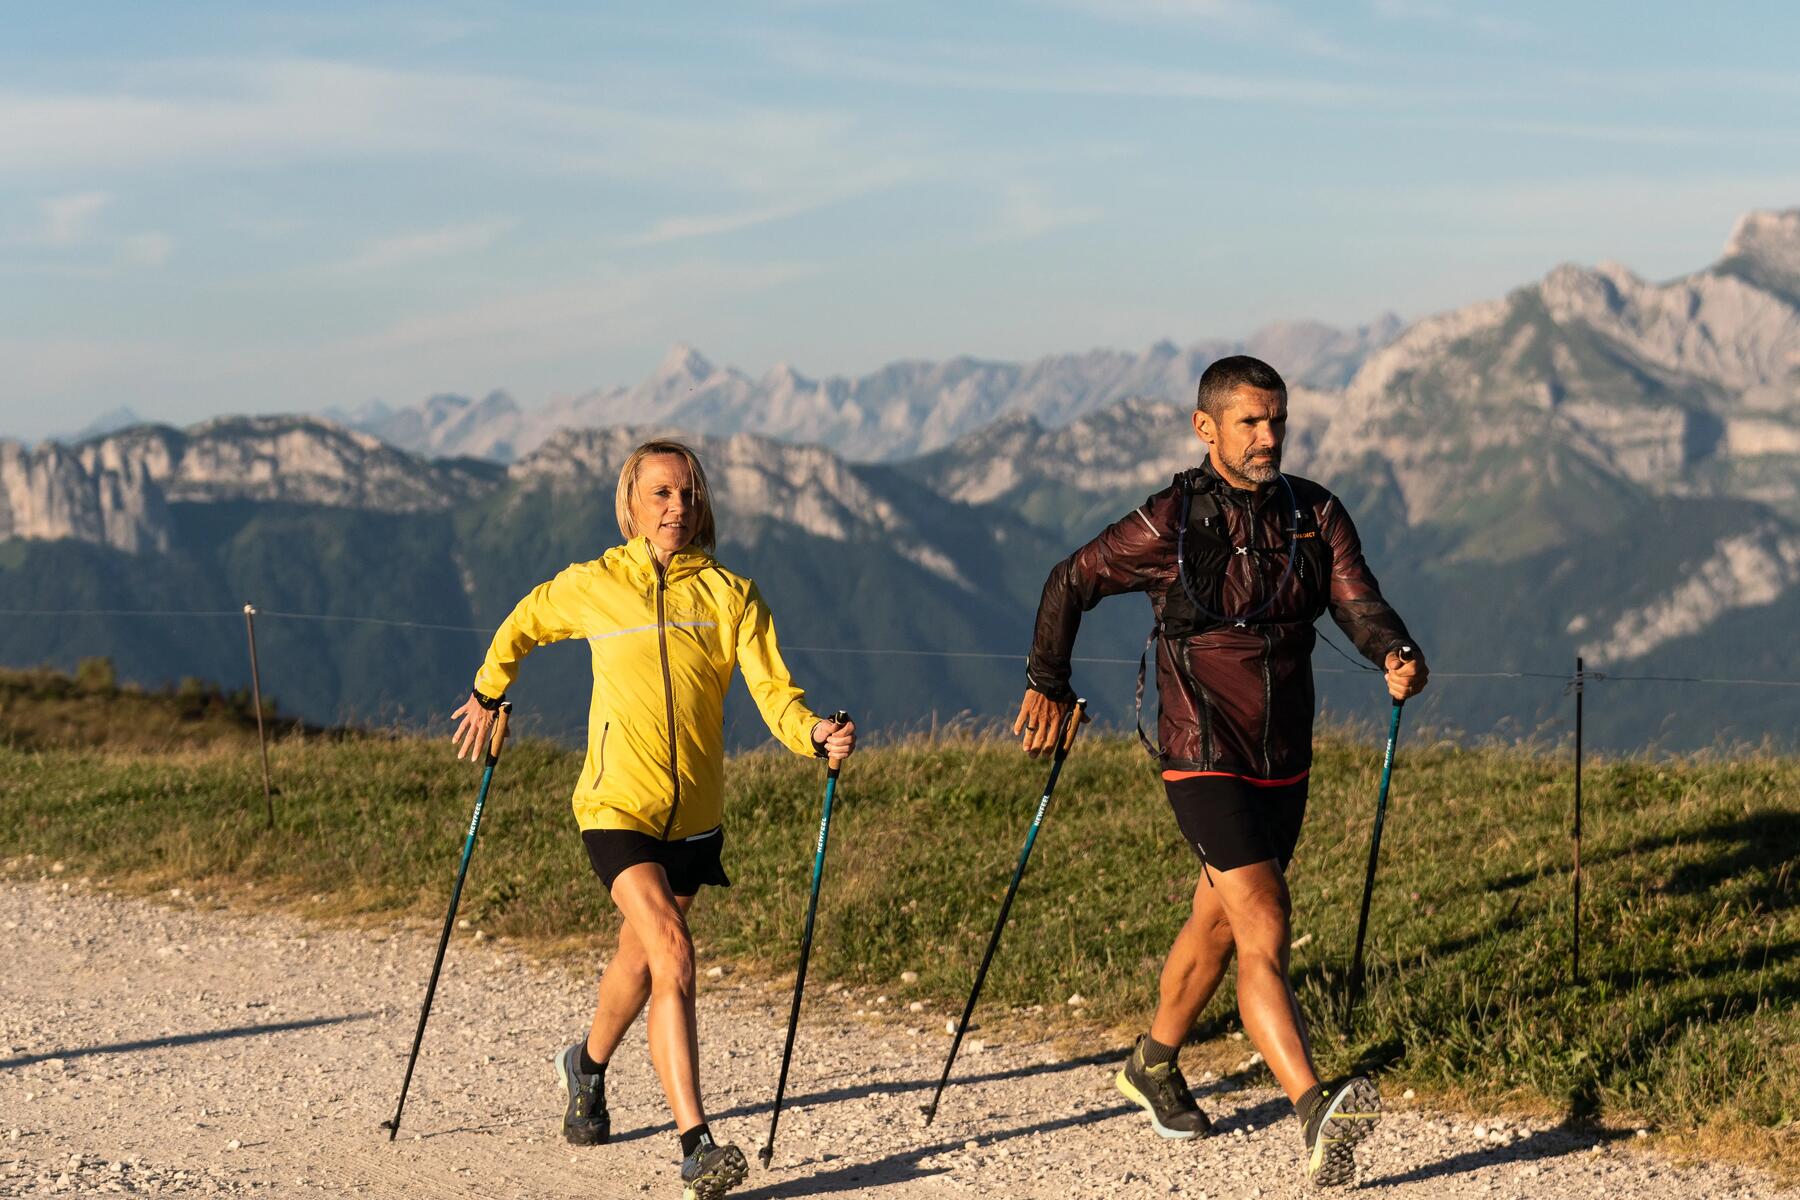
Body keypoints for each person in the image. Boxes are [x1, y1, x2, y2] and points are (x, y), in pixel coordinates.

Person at [1014, 356, 1426, 1187]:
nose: (1269, 435)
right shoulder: (1168, 521)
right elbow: (1073, 578)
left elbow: (1356, 600)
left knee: (1221, 922)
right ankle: (1315, 1109)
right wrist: (1047, 684)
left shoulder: (1315, 513)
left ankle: (1153, 1064)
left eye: (1277, 419)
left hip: (1285, 754)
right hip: (1199, 749)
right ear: (1206, 428)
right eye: (1250, 421)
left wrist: (1394, 649)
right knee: (1266, 918)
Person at [450, 439, 855, 1200]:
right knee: (673, 948)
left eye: (687, 494)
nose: (676, 508)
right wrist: (489, 690)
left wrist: (812, 735)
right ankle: (696, 1144)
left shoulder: (733, 594)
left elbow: (775, 693)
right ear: (631, 505)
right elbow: (524, 621)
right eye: (661, 494)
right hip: (615, 807)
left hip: (695, 819)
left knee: (640, 960)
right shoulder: (596, 584)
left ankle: (587, 1066)